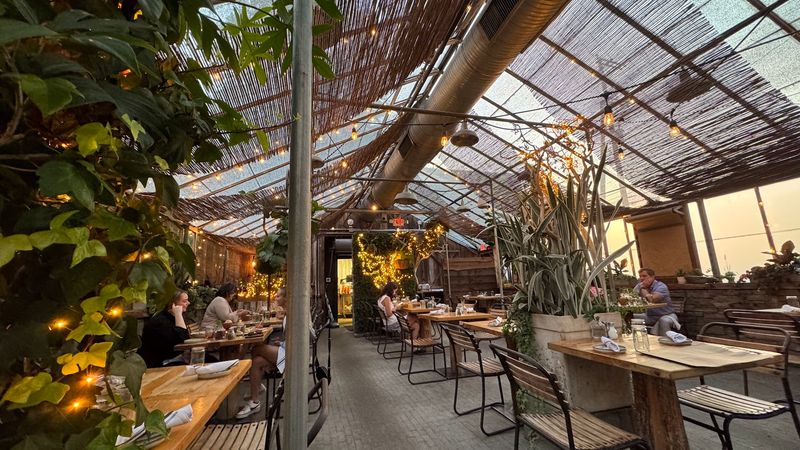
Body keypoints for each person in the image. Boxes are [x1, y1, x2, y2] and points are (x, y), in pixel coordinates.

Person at [139, 291, 191, 368]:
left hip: (169, 359)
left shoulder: (171, 317)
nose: (188, 303)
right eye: (184, 301)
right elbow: (183, 339)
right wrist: (178, 314)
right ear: (172, 304)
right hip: (158, 364)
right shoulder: (160, 321)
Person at [634, 268, 679, 336]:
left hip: (667, 315)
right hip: (650, 316)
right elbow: (630, 297)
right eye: (640, 276)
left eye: (644, 276)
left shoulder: (661, 286)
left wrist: (643, 288)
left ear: (652, 277)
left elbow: (652, 299)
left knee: (664, 321)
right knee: (628, 317)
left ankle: (666, 341)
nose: (642, 278)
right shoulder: (639, 285)